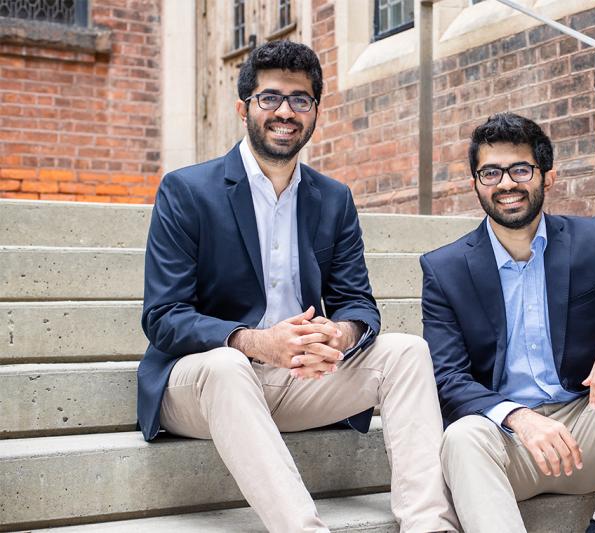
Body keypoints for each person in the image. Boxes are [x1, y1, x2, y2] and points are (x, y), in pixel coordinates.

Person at [138, 40, 458, 533]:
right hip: (204, 383)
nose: (285, 112)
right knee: (227, 365)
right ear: (244, 107)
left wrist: (340, 335)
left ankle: (430, 526)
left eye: (300, 100)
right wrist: (257, 342)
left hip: (301, 378)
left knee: (408, 352)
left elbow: (358, 304)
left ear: (315, 112)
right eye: (270, 98)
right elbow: (164, 317)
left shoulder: (333, 199)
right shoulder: (187, 191)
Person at [420, 112, 595, 533]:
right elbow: (447, 380)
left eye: (520, 169)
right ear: (476, 183)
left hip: (588, 432)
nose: (506, 184)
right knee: (461, 439)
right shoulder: (445, 269)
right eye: (490, 172)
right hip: (508, 446)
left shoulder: (592, 241)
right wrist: (518, 417)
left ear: (546, 178)